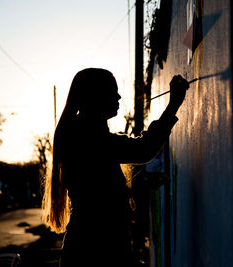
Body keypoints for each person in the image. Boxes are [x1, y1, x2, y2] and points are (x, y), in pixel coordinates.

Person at [42, 68, 188, 266]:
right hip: (93, 251)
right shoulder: (89, 139)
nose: (119, 96)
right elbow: (144, 149)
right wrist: (173, 105)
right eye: (112, 90)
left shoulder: (81, 135)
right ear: (94, 97)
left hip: (86, 249)